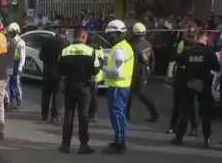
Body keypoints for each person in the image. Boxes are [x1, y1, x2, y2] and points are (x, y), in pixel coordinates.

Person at [171, 28, 219, 147]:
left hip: (190, 83)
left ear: (196, 38)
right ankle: (207, 140)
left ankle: (179, 138)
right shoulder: (209, 51)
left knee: (185, 112)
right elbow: (217, 67)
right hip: (204, 84)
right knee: (206, 113)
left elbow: (178, 61)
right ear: (204, 38)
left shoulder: (188, 51)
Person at [57, 27, 100, 154]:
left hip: (69, 85)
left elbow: (60, 68)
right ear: (84, 37)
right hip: (84, 87)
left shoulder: (65, 51)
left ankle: (65, 145)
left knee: (68, 115)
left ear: (74, 36)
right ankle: (83, 145)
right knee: (83, 116)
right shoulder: (91, 51)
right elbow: (96, 69)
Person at [102, 19, 134, 155]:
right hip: (122, 87)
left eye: (111, 34)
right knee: (119, 115)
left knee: (117, 115)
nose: (109, 37)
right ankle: (118, 140)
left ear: (119, 34)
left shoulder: (119, 50)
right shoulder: (125, 46)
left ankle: (120, 143)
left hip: (117, 87)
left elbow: (116, 72)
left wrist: (102, 68)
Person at [167, 23, 199, 135]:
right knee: (176, 104)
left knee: (191, 105)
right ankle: (173, 126)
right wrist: (170, 75)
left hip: (193, 76)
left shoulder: (199, 46)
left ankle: (194, 128)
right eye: (188, 33)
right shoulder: (181, 43)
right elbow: (173, 58)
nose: (190, 36)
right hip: (180, 74)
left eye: (192, 34)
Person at [127, 22, 159, 122]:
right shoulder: (148, 43)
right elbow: (152, 59)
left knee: (140, 93)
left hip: (137, 71)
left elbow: (133, 61)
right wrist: (150, 69)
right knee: (131, 94)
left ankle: (154, 113)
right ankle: (126, 114)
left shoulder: (134, 45)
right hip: (144, 71)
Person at [39, 29, 67, 122]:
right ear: (64, 34)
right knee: (57, 94)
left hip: (47, 71)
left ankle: (44, 115)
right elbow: (65, 59)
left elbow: (41, 56)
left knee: (46, 94)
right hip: (59, 73)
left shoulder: (47, 41)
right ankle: (55, 116)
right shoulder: (64, 43)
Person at [6, 22, 25, 109]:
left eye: (11, 32)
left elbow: (22, 57)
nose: (9, 33)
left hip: (17, 64)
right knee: (10, 83)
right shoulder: (9, 41)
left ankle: (18, 99)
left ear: (15, 32)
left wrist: (20, 67)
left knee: (16, 83)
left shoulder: (20, 42)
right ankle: (12, 100)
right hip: (10, 63)